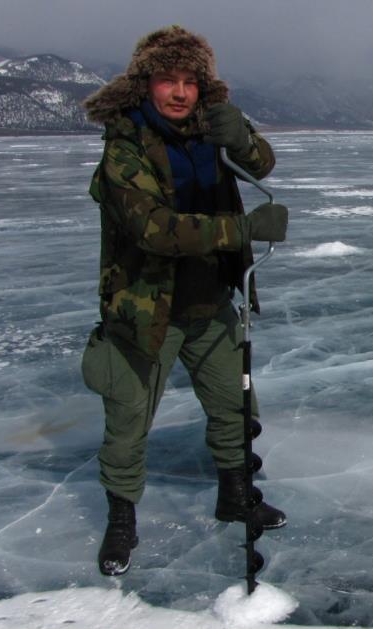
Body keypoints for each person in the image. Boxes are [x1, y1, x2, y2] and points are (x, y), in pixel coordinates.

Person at [81, 25, 288, 577]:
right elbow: (153, 229)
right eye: (167, 80)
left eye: (190, 82)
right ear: (145, 84)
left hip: (210, 300)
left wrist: (241, 140)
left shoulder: (209, 129)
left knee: (235, 407)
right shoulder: (124, 146)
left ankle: (236, 494)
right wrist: (239, 230)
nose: (179, 92)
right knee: (128, 420)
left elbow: (262, 163)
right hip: (145, 310)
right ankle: (122, 520)